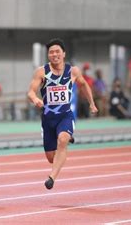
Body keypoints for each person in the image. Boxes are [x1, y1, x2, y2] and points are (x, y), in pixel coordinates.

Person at [27, 38, 97, 190]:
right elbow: (31, 91)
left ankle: (51, 178)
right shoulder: (41, 72)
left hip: (65, 115)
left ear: (63, 54)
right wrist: (35, 99)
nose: (54, 54)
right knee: (52, 158)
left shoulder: (73, 71)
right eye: (51, 52)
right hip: (48, 119)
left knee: (63, 139)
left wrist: (91, 103)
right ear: (48, 55)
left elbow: (84, 85)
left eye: (57, 51)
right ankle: (65, 138)